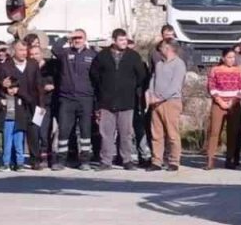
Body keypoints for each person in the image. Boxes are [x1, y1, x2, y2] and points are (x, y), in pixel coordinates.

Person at [90, 29, 149, 170]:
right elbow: (94, 75)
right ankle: (106, 161)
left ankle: (127, 160)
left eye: (125, 40)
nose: (124, 43)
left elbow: (141, 76)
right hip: (106, 101)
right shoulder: (102, 56)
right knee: (106, 134)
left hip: (127, 101)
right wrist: (103, 89)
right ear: (114, 40)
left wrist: (131, 87)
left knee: (126, 134)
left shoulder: (133, 56)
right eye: (121, 40)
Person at [52, 29, 98, 170]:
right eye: (75, 38)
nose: (77, 40)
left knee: (85, 131)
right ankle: (61, 160)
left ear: (85, 39)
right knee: (64, 130)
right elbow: (55, 49)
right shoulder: (66, 53)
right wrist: (66, 37)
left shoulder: (93, 55)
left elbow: (97, 77)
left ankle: (85, 161)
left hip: (85, 99)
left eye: (80, 37)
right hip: (67, 99)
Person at [147, 40, 186, 172]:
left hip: (171, 102)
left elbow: (175, 86)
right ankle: (156, 161)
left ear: (168, 48)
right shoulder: (159, 64)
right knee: (156, 133)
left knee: (172, 133)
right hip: (155, 103)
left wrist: (161, 98)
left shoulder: (179, 64)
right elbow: (153, 79)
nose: (160, 50)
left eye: (162, 47)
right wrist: (151, 95)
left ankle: (174, 160)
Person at [205, 48, 241, 169]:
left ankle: (230, 159)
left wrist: (233, 101)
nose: (231, 60)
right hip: (219, 104)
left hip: (234, 104)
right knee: (214, 132)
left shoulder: (238, 71)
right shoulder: (215, 70)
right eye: (229, 57)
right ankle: (210, 159)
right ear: (223, 58)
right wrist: (220, 101)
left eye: (233, 57)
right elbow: (211, 87)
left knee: (232, 132)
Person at [0, 76, 32, 171]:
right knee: (7, 143)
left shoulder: (20, 97)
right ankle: (6, 164)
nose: (12, 90)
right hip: (7, 122)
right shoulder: (2, 96)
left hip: (19, 123)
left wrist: (19, 92)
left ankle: (20, 164)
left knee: (18, 144)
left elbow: (29, 100)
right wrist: (1, 104)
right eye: (10, 88)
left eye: (14, 88)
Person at [28, 44, 54, 170]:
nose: (33, 56)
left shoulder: (50, 66)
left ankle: (46, 157)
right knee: (35, 132)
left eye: (36, 54)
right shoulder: (29, 67)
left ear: (41, 54)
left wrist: (52, 86)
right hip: (34, 104)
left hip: (47, 104)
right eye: (31, 54)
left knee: (44, 132)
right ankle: (36, 157)